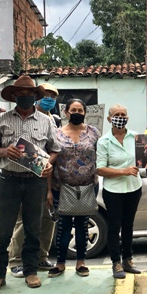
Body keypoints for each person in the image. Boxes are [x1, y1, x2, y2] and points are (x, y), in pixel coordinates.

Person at [0, 76, 60, 292]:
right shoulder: (2, 120)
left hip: (35, 182)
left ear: (35, 96)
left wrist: (48, 165)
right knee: (2, 230)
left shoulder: (46, 122)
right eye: (21, 93)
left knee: (33, 228)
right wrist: (3, 151)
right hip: (8, 179)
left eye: (29, 93)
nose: (25, 96)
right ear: (14, 96)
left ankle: (31, 271)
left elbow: (55, 149)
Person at [7, 82, 62, 278]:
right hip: (23, 176)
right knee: (24, 220)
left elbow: (54, 150)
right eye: (46, 95)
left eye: (53, 96)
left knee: (47, 219)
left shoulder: (52, 120)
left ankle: (41, 256)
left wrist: (49, 175)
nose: (49, 99)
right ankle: (16, 260)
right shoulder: (20, 119)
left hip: (47, 175)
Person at [49, 98, 101, 279]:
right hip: (62, 187)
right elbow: (50, 162)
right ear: (66, 112)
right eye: (73, 110)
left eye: (80, 110)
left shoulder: (94, 132)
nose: (77, 113)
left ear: (85, 112)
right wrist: (48, 190)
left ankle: (81, 262)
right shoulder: (56, 134)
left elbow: (100, 156)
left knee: (82, 225)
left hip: (87, 186)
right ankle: (60, 263)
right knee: (63, 226)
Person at [98, 104, 144, 280]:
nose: (120, 117)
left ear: (128, 117)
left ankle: (128, 259)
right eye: (116, 114)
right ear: (109, 119)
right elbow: (100, 169)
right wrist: (123, 171)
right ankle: (116, 262)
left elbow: (144, 160)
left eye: (123, 114)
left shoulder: (136, 138)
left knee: (128, 225)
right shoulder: (104, 141)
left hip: (134, 187)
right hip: (113, 190)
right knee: (114, 226)